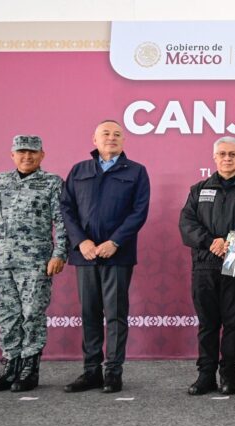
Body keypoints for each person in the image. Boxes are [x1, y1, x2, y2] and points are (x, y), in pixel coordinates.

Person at [0, 135, 67, 393]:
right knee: (6, 316)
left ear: (42, 155)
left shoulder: (52, 183)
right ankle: (10, 366)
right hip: (1, 261)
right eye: (21, 152)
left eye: (32, 152)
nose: (27, 156)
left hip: (36, 262)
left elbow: (62, 222)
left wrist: (59, 253)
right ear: (12, 155)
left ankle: (29, 369)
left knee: (32, 314)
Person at [61, 120, 150, 393]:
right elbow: (66, 209)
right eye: (106, 133)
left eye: (117, 134)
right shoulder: (79, 170)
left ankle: (113, 372)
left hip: (117, 254)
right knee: (89, 313)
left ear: (124, 140)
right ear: (94, 139)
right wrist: (81, 241)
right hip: (85, 254)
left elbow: (139, 211)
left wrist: (115, 241)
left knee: (115, 314)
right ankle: (91, 372)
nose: (111, 138)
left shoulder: (136, 171)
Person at [179, 137, 235, 396]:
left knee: (233, 322)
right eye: (223, 154)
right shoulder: (199, 189)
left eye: (232, 154)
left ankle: (229, 375)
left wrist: (232, 239)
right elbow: (187, 223)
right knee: (207, 324)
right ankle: (205, 375)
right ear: (214, 157)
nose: (227, 158)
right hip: (204, 265)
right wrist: (211, 241)